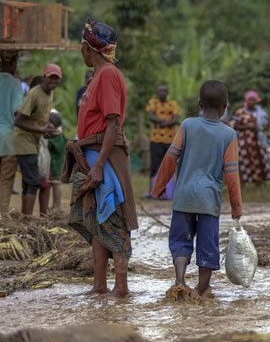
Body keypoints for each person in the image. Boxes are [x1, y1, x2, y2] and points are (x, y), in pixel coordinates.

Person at [64, 19, 137, 298]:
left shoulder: (107, 75)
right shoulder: (98, 77)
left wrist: (97, 166)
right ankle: (99, 285)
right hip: (95, 157)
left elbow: (113, 124)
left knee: (114, 220)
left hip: (105, 161)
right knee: (96, 221)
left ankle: (120, 288)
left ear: (87, 48)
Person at [152, 80, 242, 298]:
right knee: (207, 245)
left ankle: (180, 281)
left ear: (200, 103)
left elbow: (170, 157)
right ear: (225, 106)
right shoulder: (229, 135)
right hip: (208, 201)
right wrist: (236, 206)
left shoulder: (187, 125)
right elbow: (231, 174)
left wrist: (159, 187)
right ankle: (202, 290)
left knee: (180, 241)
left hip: (184, 197)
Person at [13, 66, 62, 216]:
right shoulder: (34, 94)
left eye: (56, 78)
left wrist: (48, 130)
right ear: (44, 77)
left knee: (29, 181)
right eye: (50, 77)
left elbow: (41, 120)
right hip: (23, 140)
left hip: (35, 140)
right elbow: (18, 121)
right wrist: (41, 131)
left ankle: (24, 217)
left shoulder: (50, 93)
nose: (53, 81)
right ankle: (27, 219)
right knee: (34, 181)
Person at [0, 51, 24, 218]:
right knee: (6, 181)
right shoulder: (15, 84)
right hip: (8, 139)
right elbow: (18, 112)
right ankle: (1, 215)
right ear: (13, 63)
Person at [145, 84, 180, 198]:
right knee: (155, 165)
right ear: (157, 92)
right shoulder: (153, 102)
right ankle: (153, 192)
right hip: (156, 140)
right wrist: (168, 122)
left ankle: (168, 193)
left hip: (170, 140)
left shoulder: (173, 104)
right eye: (160, 91)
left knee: (169, 166)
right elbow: (151, 117)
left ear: (167, 92)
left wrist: (160, 123)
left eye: (164, 91)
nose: (162, 93)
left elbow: (176, 119)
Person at [230, 91, 270, 185]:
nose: (251, 102)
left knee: (257, 160)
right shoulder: (240, 112)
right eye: (249, 100)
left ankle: (258, 182)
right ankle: (243, 182)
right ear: (246, 101)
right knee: (244, 161)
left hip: (256, 141)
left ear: (257, 101)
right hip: (244, 143)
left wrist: (259, 128)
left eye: (253, 100)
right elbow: (236, 126)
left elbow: (265, 126)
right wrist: (248, 127)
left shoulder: (260, 112)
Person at [47, 110, 67, 212]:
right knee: (54, 185)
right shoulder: (61, 135)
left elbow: (57, 148)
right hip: (56, 165)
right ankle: (54, 205)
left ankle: (58, 206)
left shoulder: (56, 138)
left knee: (56, 185)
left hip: (56, 165)